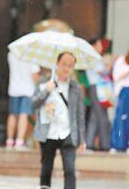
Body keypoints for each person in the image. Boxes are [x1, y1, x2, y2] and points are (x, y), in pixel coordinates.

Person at [32, 52, 86, 189]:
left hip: (68, 132)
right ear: (57, 64)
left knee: (69, 170)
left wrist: (82, 140)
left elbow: (80, 114)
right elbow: (33, 104)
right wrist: (47, 91)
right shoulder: (44, 82)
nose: (66, 68)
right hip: (48, 132)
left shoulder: (76, 87)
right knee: (46, 168)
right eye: (64, 64)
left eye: (70, 65)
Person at [7, 51, 40, 149]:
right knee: (23, 114)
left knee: (12, 114)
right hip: (27, 90)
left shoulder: (11, 54)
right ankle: (19, 141)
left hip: (13, 88)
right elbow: (35, 77)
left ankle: (9, 140)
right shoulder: (32, 56)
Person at [85, 38, 112, 151]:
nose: (102, 46)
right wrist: (110, 64)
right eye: (100, 44)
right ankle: (105, 144)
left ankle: (89, 142)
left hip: (99, 88)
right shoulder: (93, 57)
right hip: (97, 88)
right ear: (94, 45)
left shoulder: (95, 58)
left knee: (94, 116)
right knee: (102, 116)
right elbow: (103, 72)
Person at [111, 50, 129, 154]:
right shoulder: (121, 61)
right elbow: (116, 77)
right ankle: (116, 144)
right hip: (123, 91)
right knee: (120, 118)